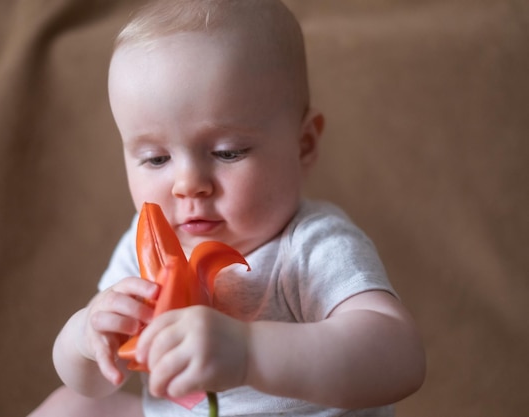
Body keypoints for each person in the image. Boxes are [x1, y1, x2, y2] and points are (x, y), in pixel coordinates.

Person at [30, 0, 426, 416]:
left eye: (227, 152)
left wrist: (250, 354)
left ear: (303, 144)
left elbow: (399, 357)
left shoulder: (311, 245)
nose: (188, 185)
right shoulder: (145, 248)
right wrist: (85, 338)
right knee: (71, 405)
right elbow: (96, 384)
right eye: (156, 159)